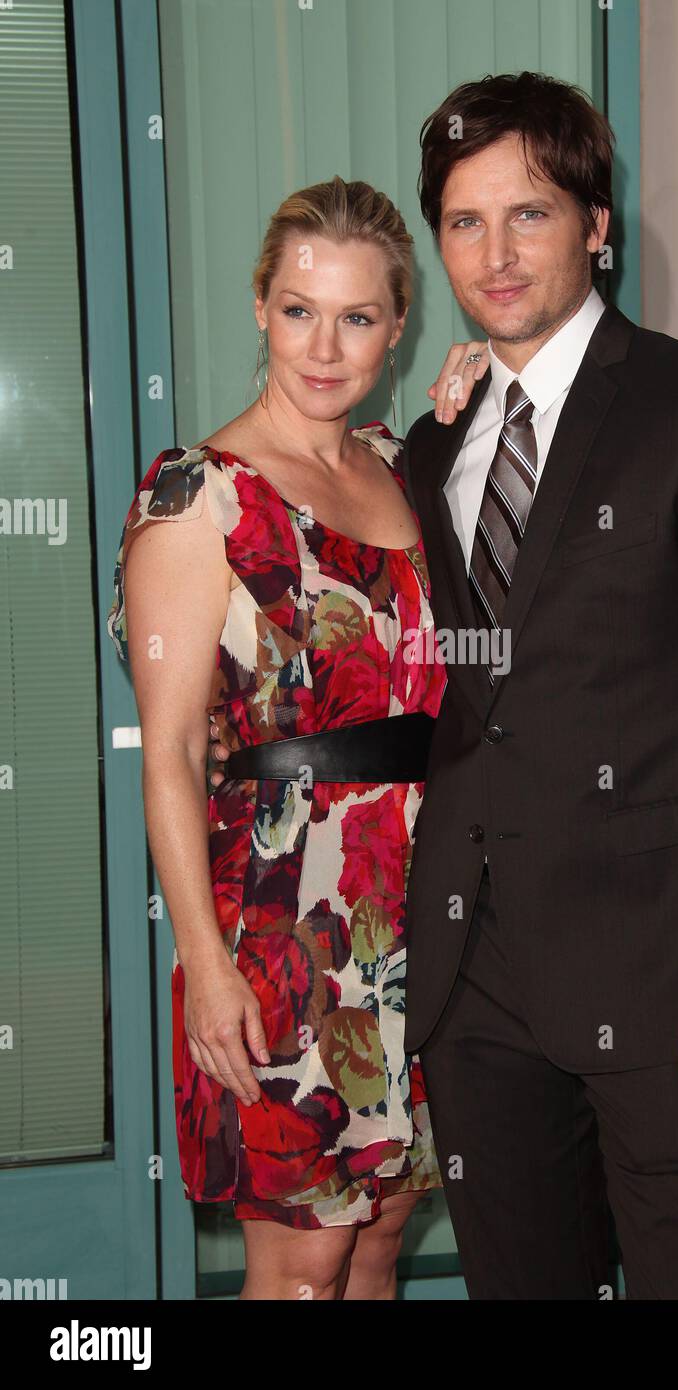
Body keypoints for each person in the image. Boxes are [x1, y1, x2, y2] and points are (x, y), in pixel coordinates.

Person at [395, 72, 678, 1299]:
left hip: (670, 978)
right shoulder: (439, 442)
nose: (494, 251)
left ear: (598, 222)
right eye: (464, 221)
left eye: (529, 213)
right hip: (477, 979)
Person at [106, 177, 446, 1300]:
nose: (325, 345)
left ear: (398, 327)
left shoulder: (407, 469)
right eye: (299, 308)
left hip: (427, 908)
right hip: (280, 918)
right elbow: (163, 756)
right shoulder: (197, 499)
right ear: (260, 304)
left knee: (385, 1237)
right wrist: (206, 967)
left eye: (357, 317)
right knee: (305, 1264)